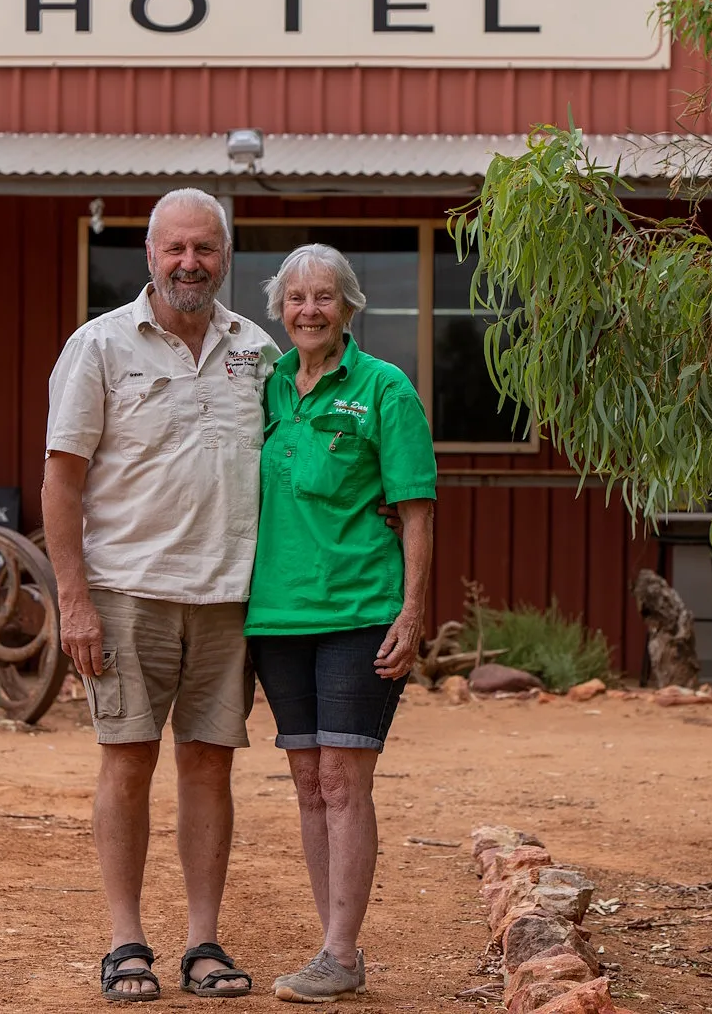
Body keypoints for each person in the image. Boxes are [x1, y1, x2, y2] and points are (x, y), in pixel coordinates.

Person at [42, 188, 278, 1002]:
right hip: (125, 593)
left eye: (204, 250)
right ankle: (124, 941)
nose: (189, 263)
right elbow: (62, 479)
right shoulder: (98, 346)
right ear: (150, 256)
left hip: (226, 597)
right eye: (175, 249)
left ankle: (203, 941)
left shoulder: (258, 351)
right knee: (127, 761)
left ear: (223, 256)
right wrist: (74, 601)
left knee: (210, 766)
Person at [244, 243, 436, 1003]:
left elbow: (415, 508)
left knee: (341, 779)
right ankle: (335, 950)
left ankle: (339, 950)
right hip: (275, 615)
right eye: (295, 299)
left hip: (359, 609)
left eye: (324, 296)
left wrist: (412, 612)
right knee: (305, 781)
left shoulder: (385, 389)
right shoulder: (263, 390)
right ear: (279, 310)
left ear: (348, 306)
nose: (309, 310)